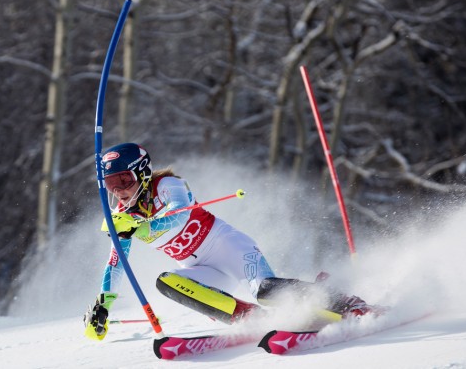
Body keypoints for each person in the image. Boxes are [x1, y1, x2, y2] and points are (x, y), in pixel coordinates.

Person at [84, 143, 377, 340]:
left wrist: (139, 229)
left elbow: (176, 218)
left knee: (264, 290)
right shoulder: (121, 217)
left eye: (124, 179)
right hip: (204, 269)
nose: (119, 190)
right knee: (166, 282)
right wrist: (103, 303)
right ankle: (249, 319)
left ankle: (343, 300)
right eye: (111, 184)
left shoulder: (170, 185)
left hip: (230, 249)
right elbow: (116, 263)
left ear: (143, 171)